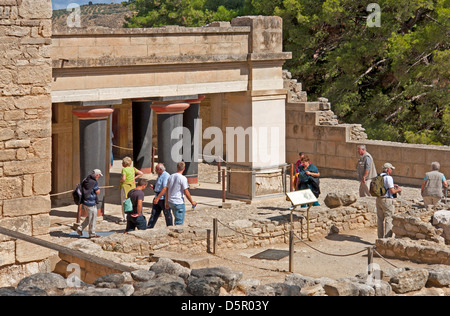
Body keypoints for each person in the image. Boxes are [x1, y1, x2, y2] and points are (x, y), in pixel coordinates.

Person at [376, 163, 402, 238]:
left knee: (380, 219)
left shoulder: (379, 176)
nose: (391, 171)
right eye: (391, 169)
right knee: (389, 219)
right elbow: (392, 191)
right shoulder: (388, 177)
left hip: (378, 199)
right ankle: (387, 239)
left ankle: (380, 238)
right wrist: (399, 189)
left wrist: (393, 185)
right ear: (387, 169)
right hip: (387, 200)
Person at [76, 169, 102, 238]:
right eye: (99, 175)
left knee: (90, 217)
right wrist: (98, 189)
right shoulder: (94, 182)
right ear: (97, 175)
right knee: (93, 218)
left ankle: (80, 228)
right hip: (91, 202)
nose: (99, 177)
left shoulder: (86, 179)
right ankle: (92, 234)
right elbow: (97, 191)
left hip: (85, 202)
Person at [147, 163, 173, 228]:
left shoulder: (166, 176)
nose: (155, 171)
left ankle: (170, 227)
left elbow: (165, 188)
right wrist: (154, 187)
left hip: (163, 198)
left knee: (167, 214)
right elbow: (160, 186)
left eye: (156, 169)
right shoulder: (160, 175)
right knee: (154, 214)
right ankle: (149, 227)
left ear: (160, 169)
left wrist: (158, 198)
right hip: (157, 196)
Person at [120, 156, 144, 224]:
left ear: (125, 163)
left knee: (124, 202)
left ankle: (125, 218)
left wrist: (121, 180)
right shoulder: (133, 168)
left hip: (125, 187)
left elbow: (124, 179)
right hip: (133, 186)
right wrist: (134, 178)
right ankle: (132, 214)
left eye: (122, 162)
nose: (122, 163)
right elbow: (141, 173)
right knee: (132, 201)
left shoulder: (124, 169)